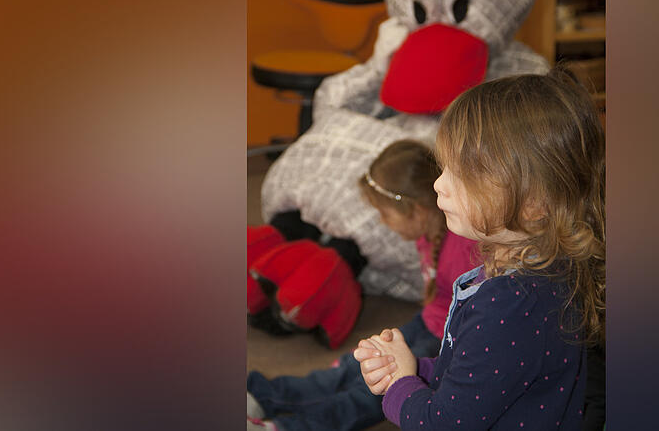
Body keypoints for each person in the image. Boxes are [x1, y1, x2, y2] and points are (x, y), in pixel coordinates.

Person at [354, 70, 606, 430]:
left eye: (463, 173)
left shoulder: (511, 304)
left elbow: (442, 424)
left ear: (533, 203)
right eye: (444, 168)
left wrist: (399, 385)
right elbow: (486, 380)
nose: (439, 185)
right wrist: (412, 369)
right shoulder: (538, 272)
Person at [246, 139, 480, 431]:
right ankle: (260, 394)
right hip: (430, 321)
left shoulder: (461, 247)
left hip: (447, 340)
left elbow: (474, 319)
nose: (382, 223)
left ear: (416, 210)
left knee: (372, 390)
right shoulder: (428, 232)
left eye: (385, 214)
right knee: (352, 367)